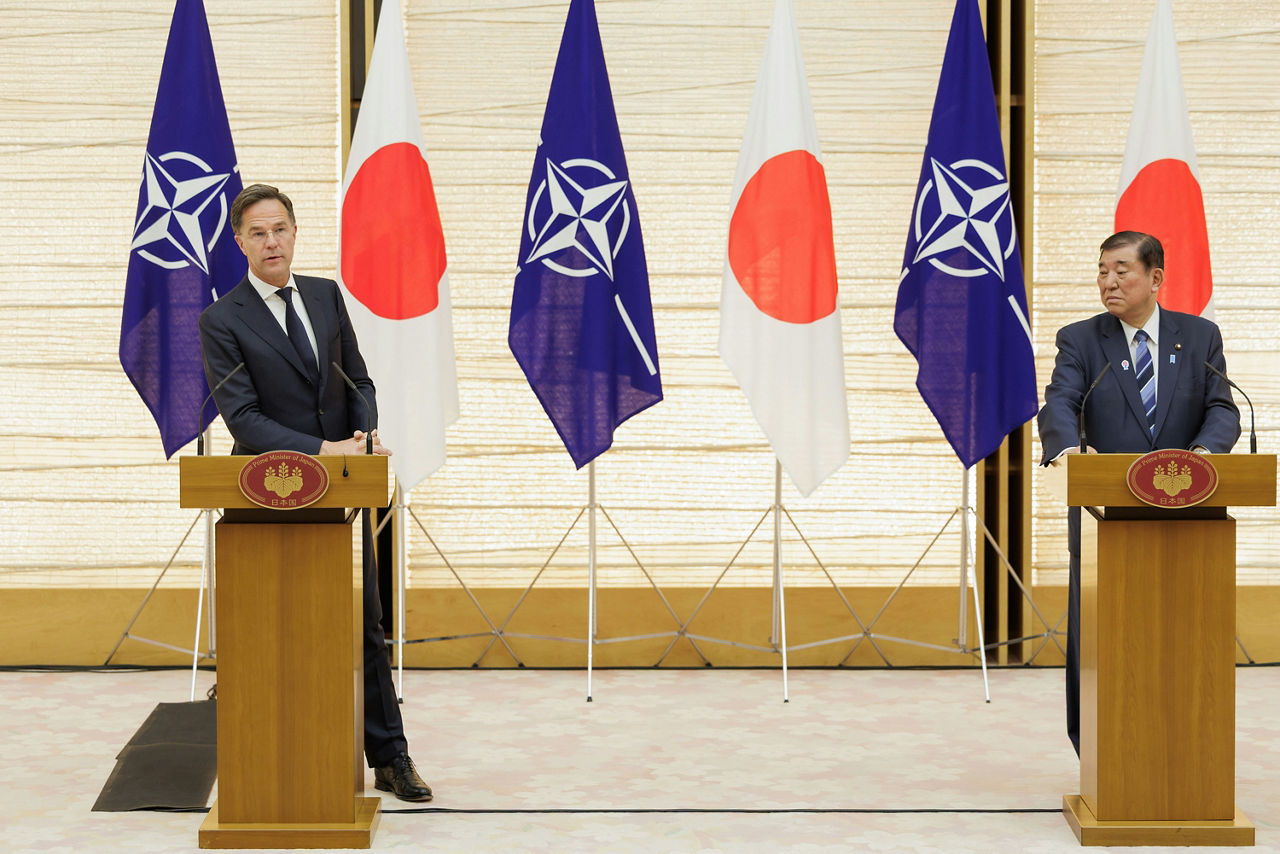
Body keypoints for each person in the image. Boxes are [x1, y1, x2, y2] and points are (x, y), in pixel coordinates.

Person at [198, 183, 433, 802]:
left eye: (279, 229)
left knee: (364, 624)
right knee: (279, 633)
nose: (270, 241)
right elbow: (243, 419)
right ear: (239, 243)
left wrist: (365, 430)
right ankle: (270, 757)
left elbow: (357, 378)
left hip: (340, 496)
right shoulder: (221, 320)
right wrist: (322, 451)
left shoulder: (327, 298)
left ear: (295, 233)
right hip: (264, 505)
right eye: (257, 233)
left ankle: (390, 756)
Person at [1037, 230, 1240, 756]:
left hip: (1191, 518)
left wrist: (1204, 456)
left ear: (1155, 278)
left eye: (1121, 270)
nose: (1109, 281)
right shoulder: (1081, 340)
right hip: (1108, 514)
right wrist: (1068, 451)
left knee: (1187, 638)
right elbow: (1060, 401)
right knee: (1105, 639)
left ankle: (1190, 754)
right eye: (1102, 270)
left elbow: (1222, 407)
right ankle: (1100, 755)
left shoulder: (1199, 337)